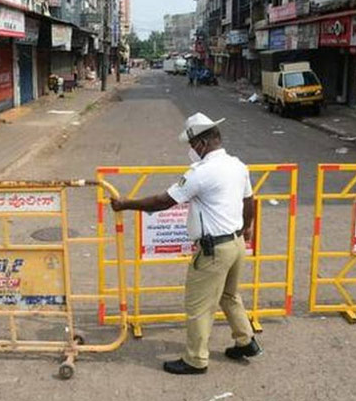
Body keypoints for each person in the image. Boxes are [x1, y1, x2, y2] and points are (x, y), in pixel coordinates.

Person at [110, 112, 261, 375]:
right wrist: (247, 227)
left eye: (192, 145)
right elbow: (249, 200)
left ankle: (195, 360)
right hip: (236, 244)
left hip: (214, 250)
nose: (191, 151)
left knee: (198, 306)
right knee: (229, 296)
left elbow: (163, 201)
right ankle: (245, 341)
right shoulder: (238, 165)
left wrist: (125, 204)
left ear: (202, 144)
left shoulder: (200, 173)